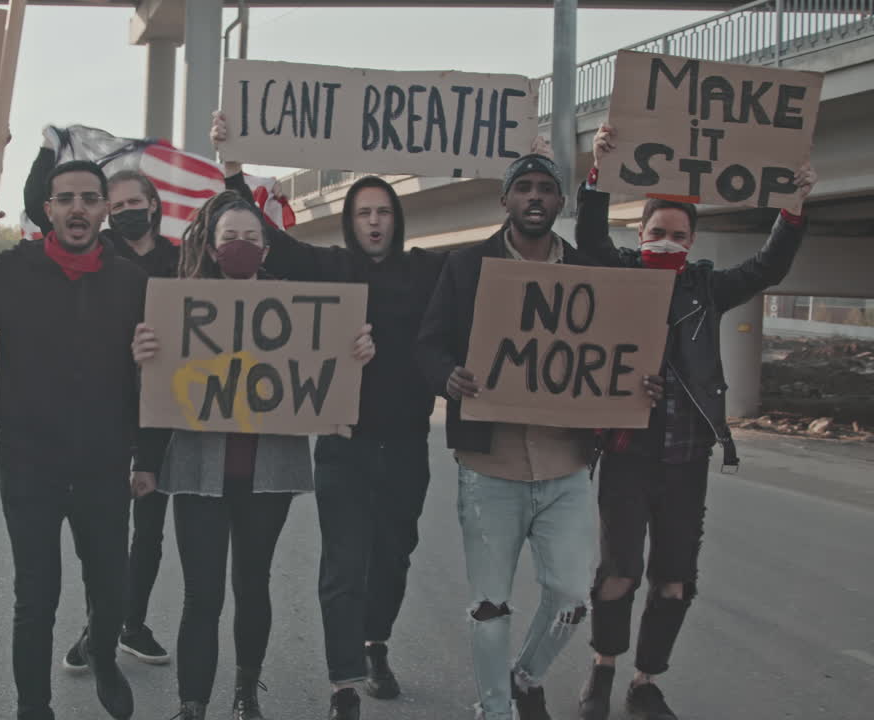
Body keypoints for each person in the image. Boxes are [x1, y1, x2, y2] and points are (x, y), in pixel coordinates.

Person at [574, 124, 816, 720]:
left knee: (675, 580)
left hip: (687, 458)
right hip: (628, 453)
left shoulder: (707, 287)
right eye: (657, 231)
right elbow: (588, 236)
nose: (667, 241)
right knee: (618, 574)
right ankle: (602, 671)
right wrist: (599, 172)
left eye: (679, 234)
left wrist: (793, 207)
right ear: (641, 231)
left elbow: (766, 269)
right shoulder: (622, 271)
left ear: (693, 239)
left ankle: (645, 682)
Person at [211, 110, 446, 720]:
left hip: (407, 446)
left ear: (397, 220)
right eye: (364, 212)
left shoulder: (424, 270)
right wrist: (233, 168)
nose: (374, 221)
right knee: (344, 561)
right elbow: (272, 240)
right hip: (344, 445)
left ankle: (375, 645)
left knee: (393, 556)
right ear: (350, 222)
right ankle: (343, 682)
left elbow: (496, 256)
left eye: (384, 212)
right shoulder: (331, 269)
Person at [416, 152, 664, 720]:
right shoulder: (465, 267)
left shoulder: (590, 273)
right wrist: (446, 377)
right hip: (489, 466)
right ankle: (495, 709)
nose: (534, 197)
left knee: (573, 597)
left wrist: (636, 383)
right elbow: (428, 345)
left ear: (559, 202)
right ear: (505, 200)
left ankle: (526, 675)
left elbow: (617, 356)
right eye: (523, 187)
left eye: (546, 189)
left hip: (566, 466)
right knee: (489, 607)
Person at [131, 192, 376, 720]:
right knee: (202, 595)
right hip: (198, 471)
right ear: (213, 249)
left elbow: (331, 367)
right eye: (229, 239)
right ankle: (192, 705)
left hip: (269, 474)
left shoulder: (299, 304)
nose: (239, 247)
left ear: (267, 249)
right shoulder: (182, 305)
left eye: (250, 238)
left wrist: (355, 352)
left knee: (252, 585)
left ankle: (245, 693)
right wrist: (144, 364)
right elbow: (156, 391)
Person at [0, 160, 146, 720]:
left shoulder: (131, 283)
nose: (78, 208)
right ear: (47, 211)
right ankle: (33, 705)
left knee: (110, 585)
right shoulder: (14, 270)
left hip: (103, 464)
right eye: (66, 199)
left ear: (102, 210)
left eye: (89, 199)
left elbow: (157, 379)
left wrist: (148, 449)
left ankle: (102, 654)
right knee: (36, 596)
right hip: (30, 465)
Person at [24, 131, 177, 669]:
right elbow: (34, 207)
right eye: (123, 204)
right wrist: (49, 150)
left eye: (141, 202)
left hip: (161, 416)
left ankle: (128, 624)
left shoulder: (183, 263)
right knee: (107, 538)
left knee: (150, 535)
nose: (132, 210)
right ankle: (100, 628)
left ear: (155, 208)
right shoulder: (96, 254)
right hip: (106, 416)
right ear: (108, 211)